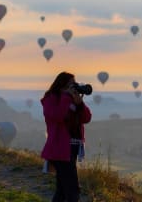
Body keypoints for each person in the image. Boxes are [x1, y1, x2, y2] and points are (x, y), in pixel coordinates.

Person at [41, 72, 92, 202]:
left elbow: (86, 118)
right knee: (73, 190)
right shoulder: (50, 99)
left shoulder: (72, 100)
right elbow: (58, 116)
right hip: (59, 149)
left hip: (73, 148)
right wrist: (65, 97)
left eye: (74, 84)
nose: (73, 88)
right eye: (70, 85)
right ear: (61, 85)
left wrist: (80, 104)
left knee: (62, 191)